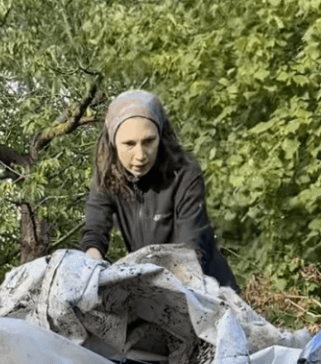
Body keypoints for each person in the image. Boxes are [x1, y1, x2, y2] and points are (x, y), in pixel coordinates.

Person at [80, 89, 240, 290]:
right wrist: (92, 269)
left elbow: (191, 246)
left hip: (206, 284)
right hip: (154, 284)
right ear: (113, 144)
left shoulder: (184, 173)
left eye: (148, 141)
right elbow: (95, 233)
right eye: (129, 144)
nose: (140, 155)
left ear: (160, 137)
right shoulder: (106, 178)